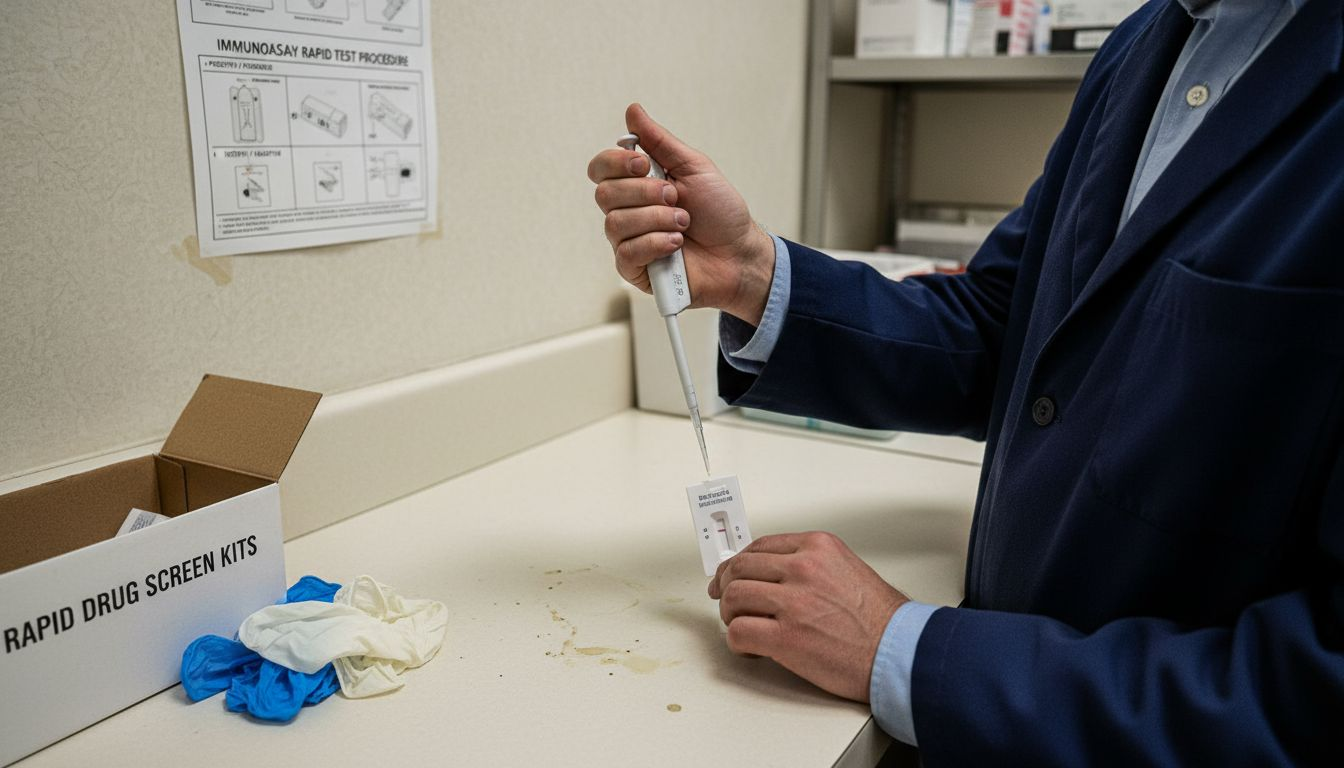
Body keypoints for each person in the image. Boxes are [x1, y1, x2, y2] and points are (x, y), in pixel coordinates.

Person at [588, 0, 1344, 764]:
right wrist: (753, 272)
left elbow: (1317, 692)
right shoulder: (1147, 42)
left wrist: (911, 653)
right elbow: (1001, 327)